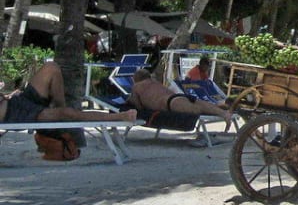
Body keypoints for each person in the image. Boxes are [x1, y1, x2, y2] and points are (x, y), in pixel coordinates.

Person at [0, 61, 137, 124]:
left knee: (51, 67)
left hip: (17, 101)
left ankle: (60, 106)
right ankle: (120, 116)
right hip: (18, 115)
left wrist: (7, 96)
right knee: (69, 114)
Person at [129, 69, 231, 121]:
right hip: (179, 96)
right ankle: (223, 111)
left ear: (136, 79)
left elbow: (138, 106)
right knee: (200, 104)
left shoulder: (136, 87)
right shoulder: (155, 82)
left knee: (197, 110)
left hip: (169, 103)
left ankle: (223, 112)